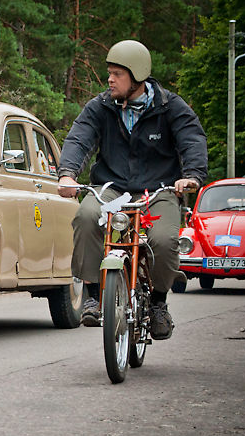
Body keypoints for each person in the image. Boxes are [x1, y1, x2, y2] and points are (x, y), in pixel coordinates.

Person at [57, 40, 208, 340]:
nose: (110, 80)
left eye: (117, 74)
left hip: (159, 189)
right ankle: (92, 294)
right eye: (109, 73)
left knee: (164, 240)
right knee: (87, 216)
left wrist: (191, 176)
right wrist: (67, 175)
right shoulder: (100, 106)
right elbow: (79, 139)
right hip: (112, 188)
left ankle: (158, 304)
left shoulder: (169, 106)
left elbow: (192, 138)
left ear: (137, 76)